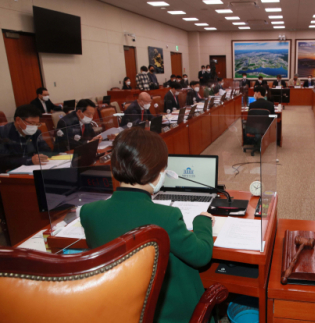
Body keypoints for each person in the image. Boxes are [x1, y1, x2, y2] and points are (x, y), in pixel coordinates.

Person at [80, 127, 214, 323]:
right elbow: (201, 256)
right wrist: (202, 222)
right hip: (168, 313)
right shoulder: (166, 216)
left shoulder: (89, 212)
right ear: (157, 171)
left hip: (119, 307)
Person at [0, 104, 51, 173]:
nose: (34, 127)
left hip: (33, 169)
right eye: (32, 123)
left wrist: (41, 156)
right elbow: (3, 160)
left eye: (37, 124)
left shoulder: (36, 132)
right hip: (9, 173)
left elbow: (46, 150)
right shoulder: (3, 133)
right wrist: (30, 160)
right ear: (18, 120)